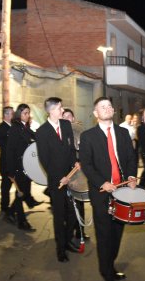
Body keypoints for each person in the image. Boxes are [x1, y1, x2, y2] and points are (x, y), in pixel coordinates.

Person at [79, 97, 138, 281]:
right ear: (96, 114)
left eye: (109, 106)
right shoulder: (88, 136)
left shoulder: (123, 133)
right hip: (101, 193)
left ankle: (110, 265)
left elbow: (131, 157)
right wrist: (101, 182)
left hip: (122, 191)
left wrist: (131, 176)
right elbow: (86, 165)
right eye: (102, 107)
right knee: (104, 234)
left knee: (117, 232)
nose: (107, 108)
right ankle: (107, 276)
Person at [36, 97, 80, 260]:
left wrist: (74, 163)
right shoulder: (42, 132)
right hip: (57, 181)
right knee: (60, 214)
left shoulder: (66, 125)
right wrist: (59, 178)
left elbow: (69, 149)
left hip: (71, 177)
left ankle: (68, 240)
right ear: (51, 110)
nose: (63, 111)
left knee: (72, 213)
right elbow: (44, 160)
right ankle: (60, 249)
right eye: (60, 108)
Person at [6, 104, 37, 231]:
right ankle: (22, 221)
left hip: (27, 165)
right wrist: (11, 170)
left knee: (23, 193)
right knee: (20, 193)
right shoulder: (15, 128)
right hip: (18, 166)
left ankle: (10, 212)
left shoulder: (25, 127)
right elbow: (10, 150)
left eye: (28, 113)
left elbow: (35, 136)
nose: (27, 115)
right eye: (25, 113)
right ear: (19, 114)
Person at [62, 108, 89, 242]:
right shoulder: (60, 133)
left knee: (80, 202)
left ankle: (80, 231)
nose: (67, 118)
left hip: (78, 172)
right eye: (64, 116)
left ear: (73, 118)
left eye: (69, 116)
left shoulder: (79, 131)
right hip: (66, 173)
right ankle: (69, 232)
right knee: (68, 205)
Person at [0, 106, 14, 216]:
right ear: (6, 115)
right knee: (6, 185)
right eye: (12, 113)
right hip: (5, 161)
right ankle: (4, 206)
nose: (13, 115)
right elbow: (0, 142)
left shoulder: (13, 126)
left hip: (13, 160)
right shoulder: (0, 128)